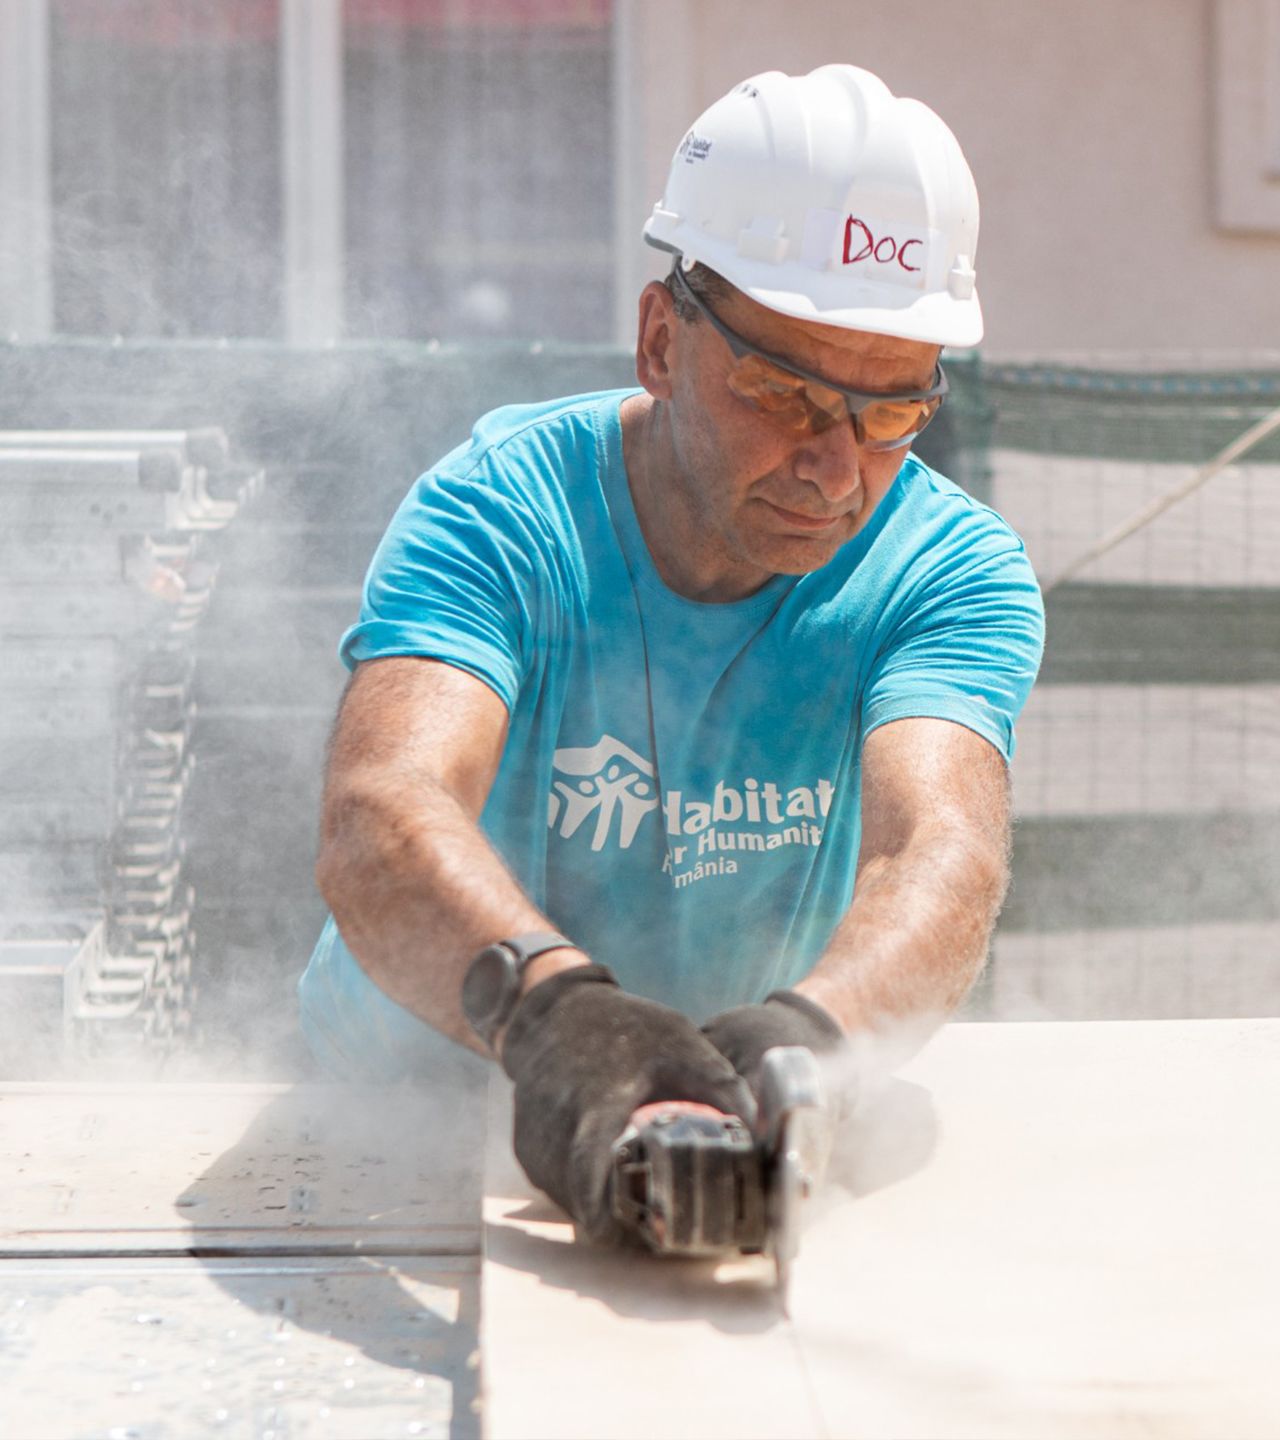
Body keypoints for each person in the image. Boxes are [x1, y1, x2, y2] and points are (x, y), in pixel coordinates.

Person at [298, 64, 1044, 1241]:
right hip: (399, 1120)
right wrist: (553, 1021)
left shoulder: (949, 571)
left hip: (723, 1117)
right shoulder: (498, 512)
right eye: (784, 392)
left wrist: (813, 1041)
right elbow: (383, 809)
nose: (835, 466)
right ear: (660, 339)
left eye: (891, 412)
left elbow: (933, 850)